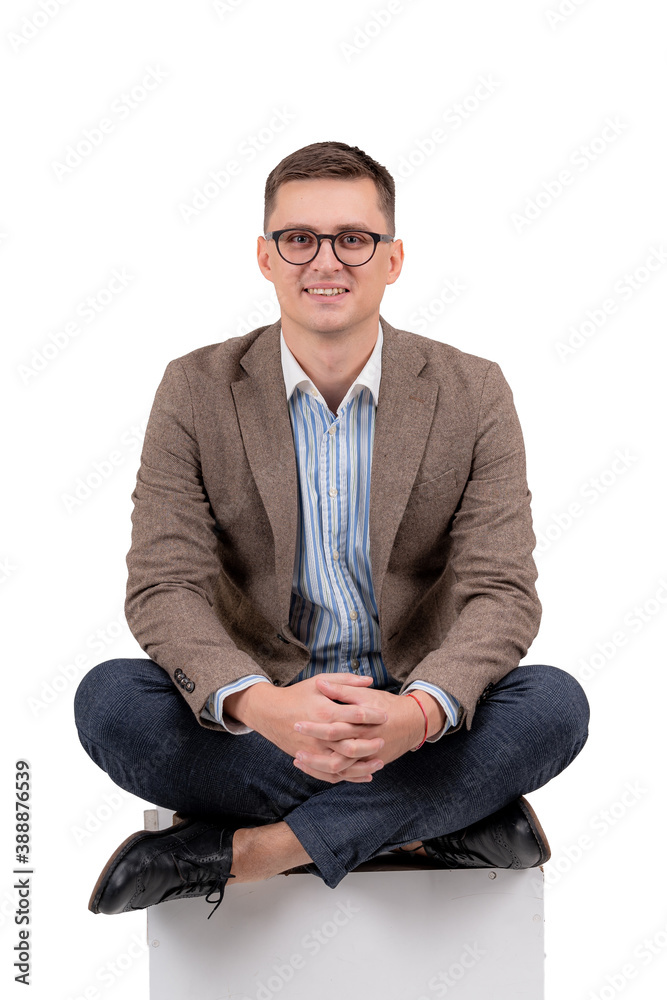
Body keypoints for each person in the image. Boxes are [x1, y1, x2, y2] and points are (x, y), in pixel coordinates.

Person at [74, 140, 590, 918]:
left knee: (554, 705)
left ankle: (255, 849)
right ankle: (432, 820)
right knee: (110, 701)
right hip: (261, 720)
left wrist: (415, 716)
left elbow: (501, 592)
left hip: (415, 714)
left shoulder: (472, 390)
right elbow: (163, 584)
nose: (326, 261)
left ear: (392, 258)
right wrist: (261, 707)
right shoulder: (194, 388)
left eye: (353, 239)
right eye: (299, 239)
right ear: (264, 256)